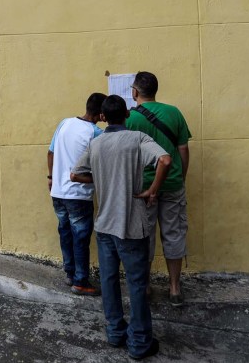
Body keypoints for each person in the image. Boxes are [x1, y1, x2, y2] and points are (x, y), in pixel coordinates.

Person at [71, 95, 171, 360]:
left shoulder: (96, 143)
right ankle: (139, 342)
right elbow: (165, 160)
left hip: (104, 225)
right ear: (127, 113)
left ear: (103, 117)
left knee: (109, 279)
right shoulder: (137, 139)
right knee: (137, 283)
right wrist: (152, 190)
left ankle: (115, 332)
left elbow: (74, 174)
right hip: (131, 226)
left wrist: (100, 180)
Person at [126, 71, 192, 307]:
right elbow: (183, 150)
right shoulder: (173, 112)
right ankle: (174, 288)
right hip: (173, 183)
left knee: (145, 236)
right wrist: (179, 177)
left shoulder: (130, 118)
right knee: (174, 234)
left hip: (143, 188)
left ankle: (145, 286)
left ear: (134, 92)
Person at [47, 92, 107, 296]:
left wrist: (51, 178)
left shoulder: (65, 123)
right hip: (78, 194)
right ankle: (81, 281)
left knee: (65, 232)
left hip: (58, 192)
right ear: (101, 113)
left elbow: (51, 152)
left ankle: (70, 272)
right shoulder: (96, 133)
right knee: (80, 237)